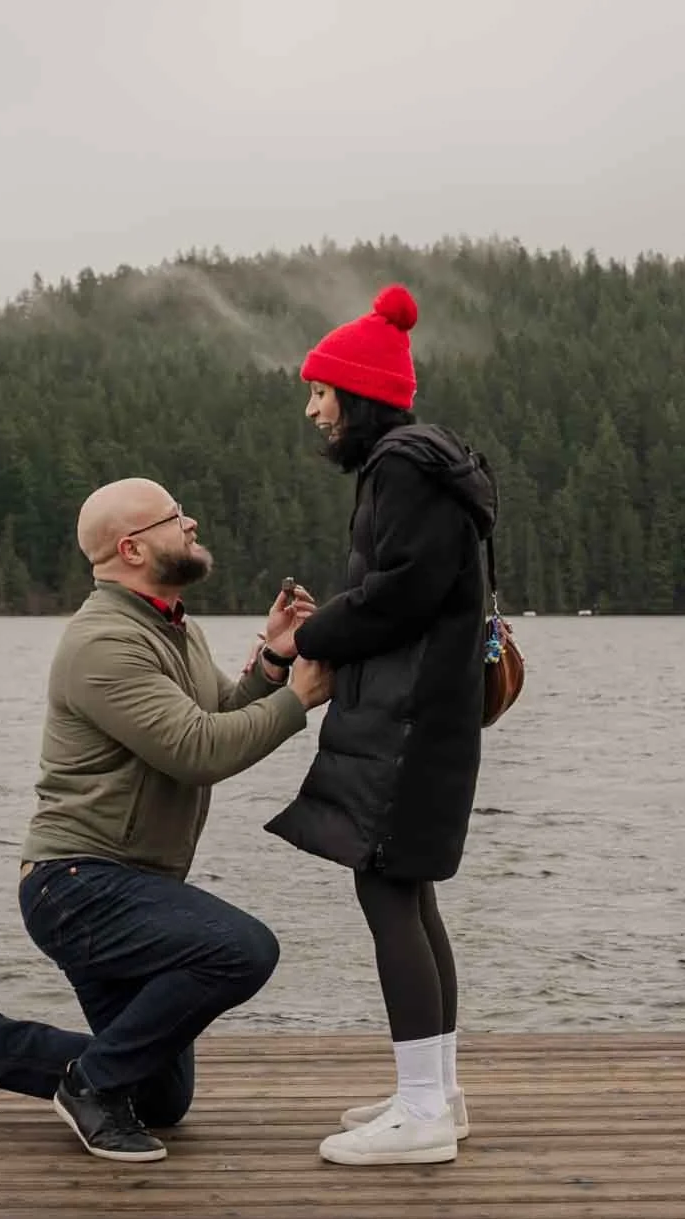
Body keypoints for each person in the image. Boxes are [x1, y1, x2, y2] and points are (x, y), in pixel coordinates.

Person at [0, 476, 334, 1162]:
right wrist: (300, 700)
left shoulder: (174, 624)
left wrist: (273, 661)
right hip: (78, 885)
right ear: (134, 548)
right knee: (243, 947)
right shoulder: (102, 643)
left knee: (162, 1098)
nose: (191, 523)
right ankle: (88, 1087)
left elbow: (213, 717)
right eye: (176, 517)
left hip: (125, 884)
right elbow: (196, 751)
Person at [264, 284, 497, 1166]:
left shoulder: (401, 464)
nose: (314, 408)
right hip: (423, 711)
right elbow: (411, 586)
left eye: (322, 392)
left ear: (359, 392)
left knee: (387, 887)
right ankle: (434, 1090)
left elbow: (405, 591)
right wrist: (344, 619)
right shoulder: (416, 464)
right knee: (408, 889)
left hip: (408, 719)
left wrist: (314, 636)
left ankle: (423, 1111)